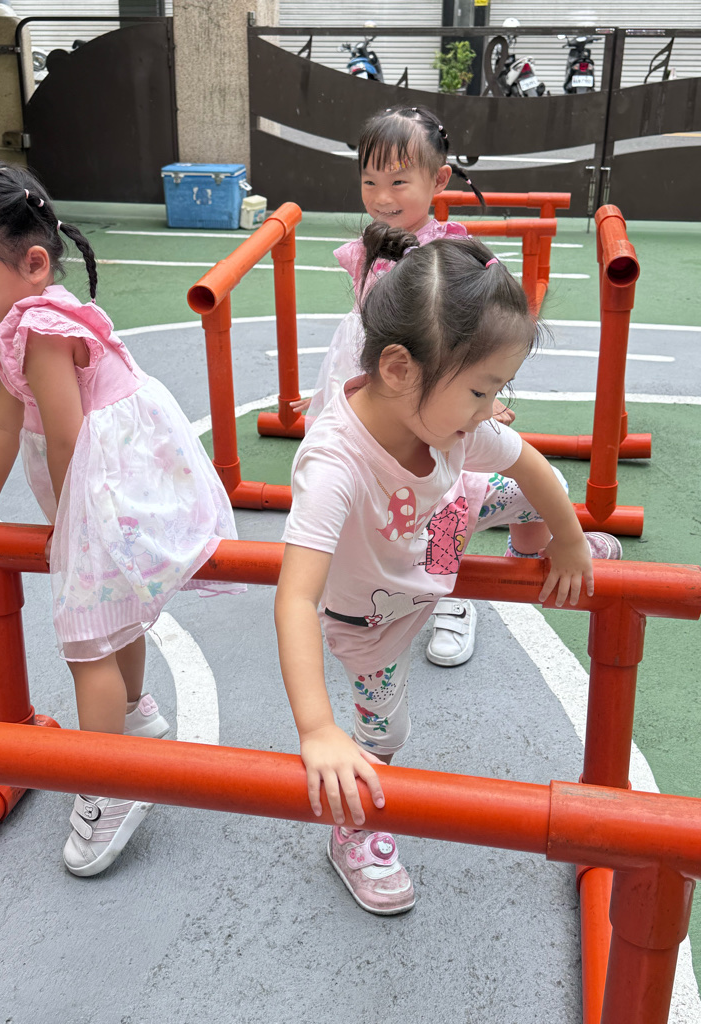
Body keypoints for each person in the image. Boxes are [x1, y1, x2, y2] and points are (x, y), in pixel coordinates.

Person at [274, 224, 621, 916]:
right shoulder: (335, 464)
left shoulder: (447, 423)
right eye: (480, 392)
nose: (490, 411)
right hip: (373, 620)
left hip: (439, 533)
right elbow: (294, 600)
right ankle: (353, 833)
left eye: (496, 390)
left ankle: (528, 550)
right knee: (383, 735)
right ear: (399, 369)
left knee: (533, 491)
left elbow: (531, 463)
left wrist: (568, 543)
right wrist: (316, 729)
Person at [0, 164, 240, 877]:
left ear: (33, 264)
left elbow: (67, 437)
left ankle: (109, 785)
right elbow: (5, 422)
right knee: (116, 614)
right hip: (102, 489)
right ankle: (135, 715)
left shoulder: (41, 330)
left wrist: (75, 530)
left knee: (86, 641)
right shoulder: (32, 316)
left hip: (98, 494)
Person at [296, 104, 514, 670]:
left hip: (434, 387)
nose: (381, 196)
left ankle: (451, 596)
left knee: (443, 491)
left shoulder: (451, 251)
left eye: (398, 181)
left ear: (438, 180)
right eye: (369, 181)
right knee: (377, 489)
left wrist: (486, 400)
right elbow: (360, 332)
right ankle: (369, 578)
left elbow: (488, 333)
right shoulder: (370, 244)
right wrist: (328, 393)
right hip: (378, 380)